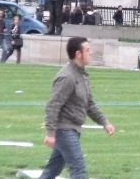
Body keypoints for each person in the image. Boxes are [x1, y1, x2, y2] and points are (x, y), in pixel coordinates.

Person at [40, 37, 115, 179]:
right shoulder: (67, 77)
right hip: (64, 130)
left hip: (72, 130)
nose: (91, 52)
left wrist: (105, 122)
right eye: (87, 50)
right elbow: (53, 105)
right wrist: (50, 132)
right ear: (78, 54)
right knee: (78, 169)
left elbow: (89, 104)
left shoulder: (81, 75)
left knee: (52, 170)